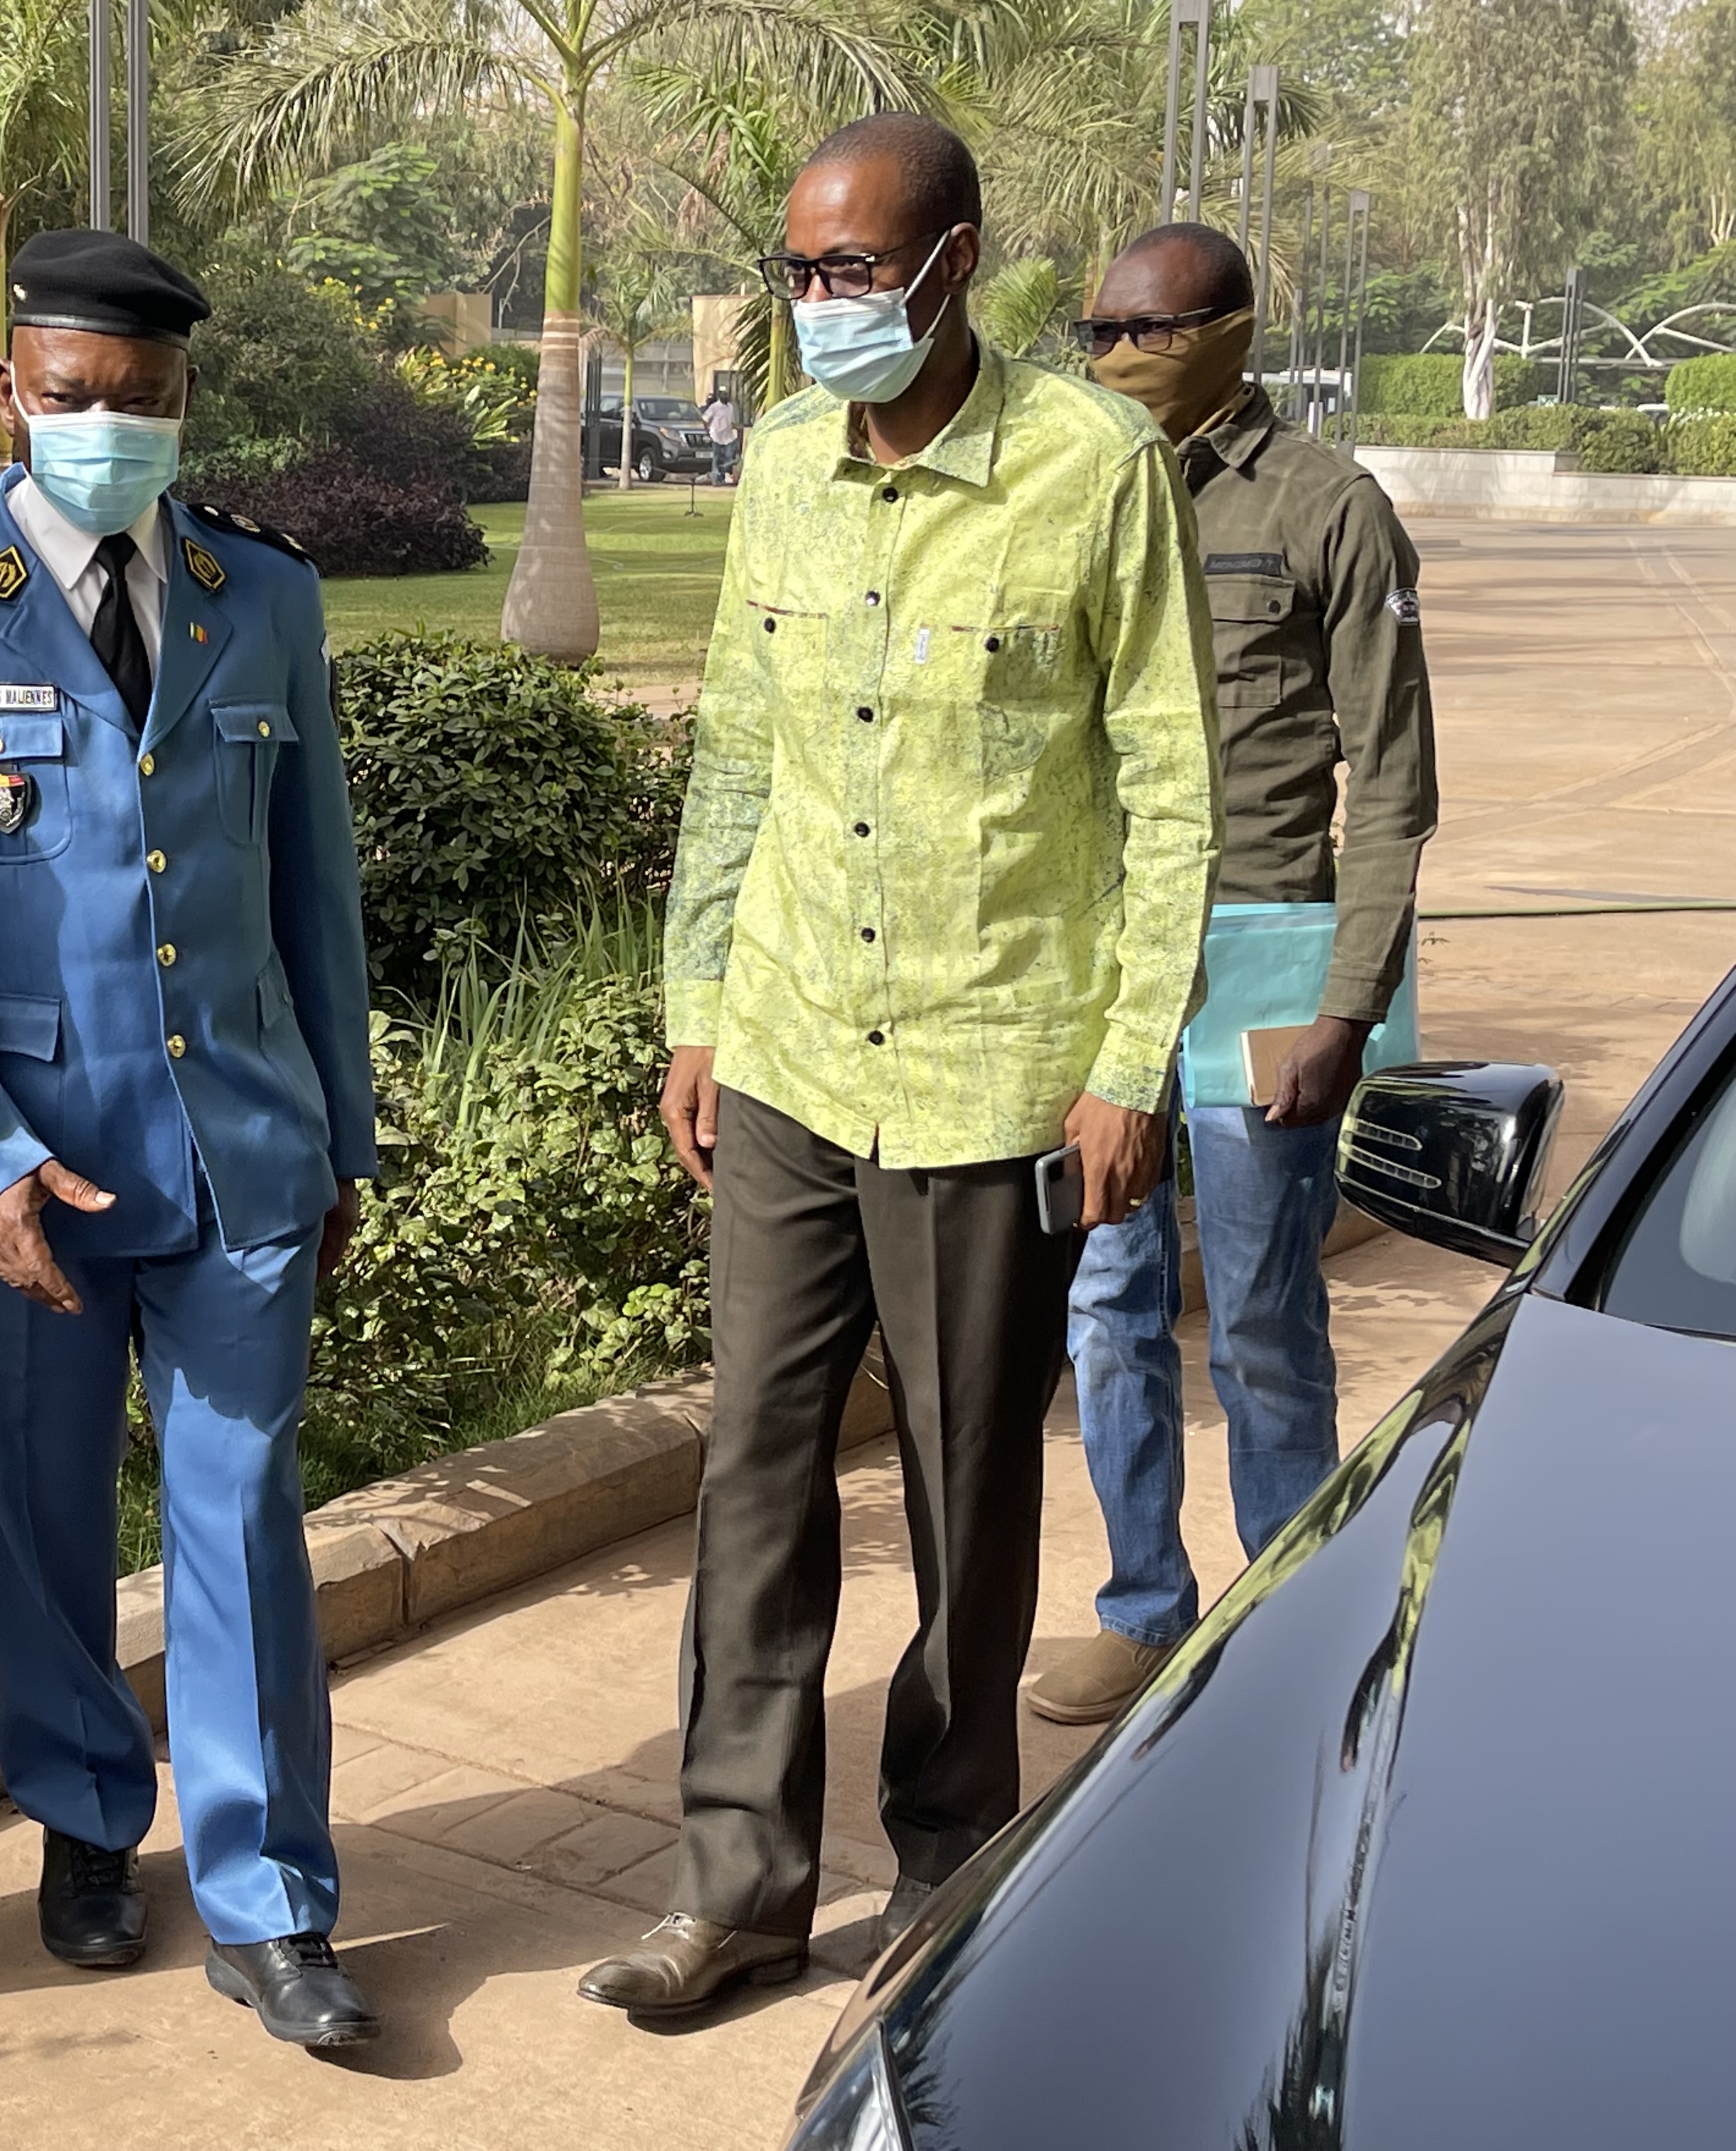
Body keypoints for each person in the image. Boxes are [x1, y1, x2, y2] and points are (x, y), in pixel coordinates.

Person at [576, 115, 1217, 2019]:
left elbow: (1173, 789)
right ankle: (736, 1889)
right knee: (754, 1477)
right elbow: (739, 754)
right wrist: (698, 1006)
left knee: (964, 1492)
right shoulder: (783, 460)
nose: (816, 303)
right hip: (788, 1048)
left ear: (953, 265)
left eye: (849, 269)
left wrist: (1130, 1065)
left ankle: (944, 1871)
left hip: (988, 1073)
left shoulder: (1095, 469)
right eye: (797, 270)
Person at [0, 229, 381, 2051]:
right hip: (31, 1170)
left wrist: (346, 1137)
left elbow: (314, 895)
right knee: (42, 1510)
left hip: (238, 1151)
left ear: (185, 399)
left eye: (145, 400)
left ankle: (269, 1897)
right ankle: (81, 1813)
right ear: (11, 391)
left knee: (244, 1515)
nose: (109, 428)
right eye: (74, 396)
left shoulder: (259, 595)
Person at [1028, 224, 1437, 1728]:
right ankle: (1143, 1608)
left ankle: (1285, 1620)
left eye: (1142, 332)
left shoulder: (1327, 506)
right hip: (1103, 959)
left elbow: (1391, 786)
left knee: (1263, 1318)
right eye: (1095, 332)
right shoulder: (1080, 492)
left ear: (1227, 332)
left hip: (1264, 962)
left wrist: (1346, 1008)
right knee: (1107, 1302)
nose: (1112, 357)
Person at [703, 388, 742, 484]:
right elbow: (705, 419)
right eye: (724, 394)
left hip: (728, 436)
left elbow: (731, 422)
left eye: (727, 394)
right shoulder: (714, 407)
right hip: (716, 436)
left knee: (730, 457)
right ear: (719, 395)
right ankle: (716, 477)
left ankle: (724, 474)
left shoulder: (730, 407)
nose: (726, 396)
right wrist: (707, 432)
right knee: (716, 457)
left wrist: (737, 428)